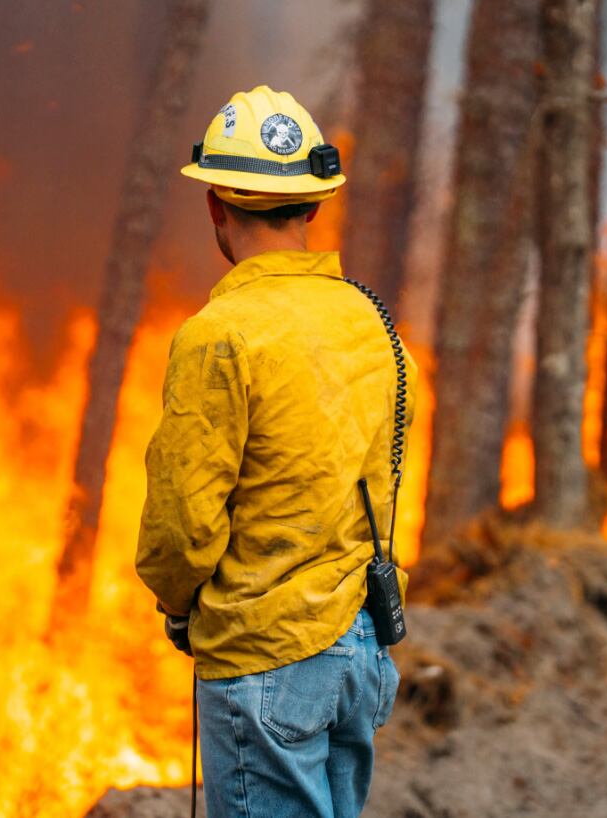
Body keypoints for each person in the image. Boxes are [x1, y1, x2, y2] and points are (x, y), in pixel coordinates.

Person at [134, 85, 418, 818]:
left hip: (265, 661)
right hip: (358, 654)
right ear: (314, 206)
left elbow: (182, 525)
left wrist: (177, 602)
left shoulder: (219, 335)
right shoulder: (372, 324)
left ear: (214, 206)